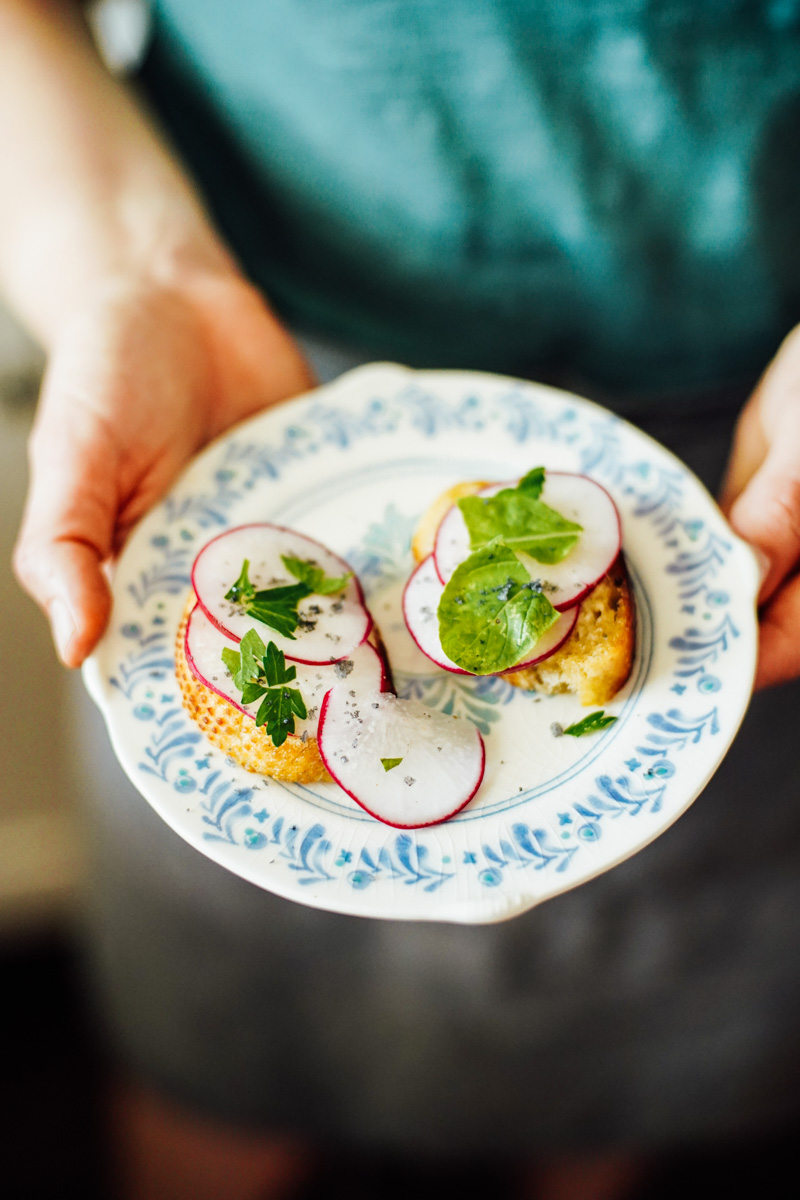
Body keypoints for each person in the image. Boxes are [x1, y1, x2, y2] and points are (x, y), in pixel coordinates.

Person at [5, 3, 800, 1198]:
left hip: (737, 464)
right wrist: (129, 272)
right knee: (213, 1057)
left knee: (602, 1070)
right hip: (234, 389)